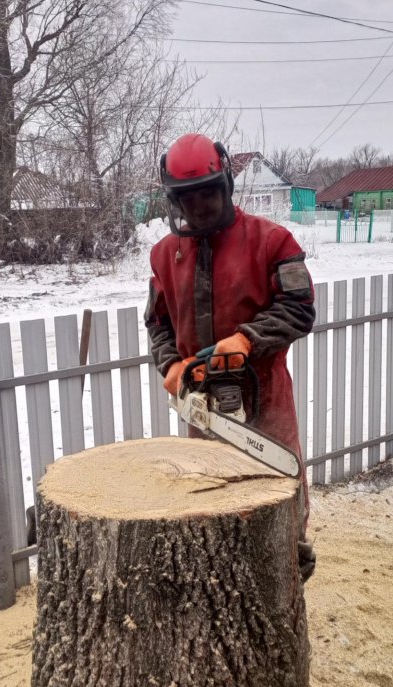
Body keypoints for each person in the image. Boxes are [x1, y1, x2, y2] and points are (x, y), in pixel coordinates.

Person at [144, 133, 317, 580]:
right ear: (173, 199)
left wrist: (248, 339)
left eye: (207, 194)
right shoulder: (165, 255)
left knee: (278, 485)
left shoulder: (272, 240)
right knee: (208, 495)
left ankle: (289, 562)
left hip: (264, 391)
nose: (199, 206)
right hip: (202, 400)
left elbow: (300, 308)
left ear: (226, 186)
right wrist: (171, 364)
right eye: (188, 198)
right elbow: (157, 322)